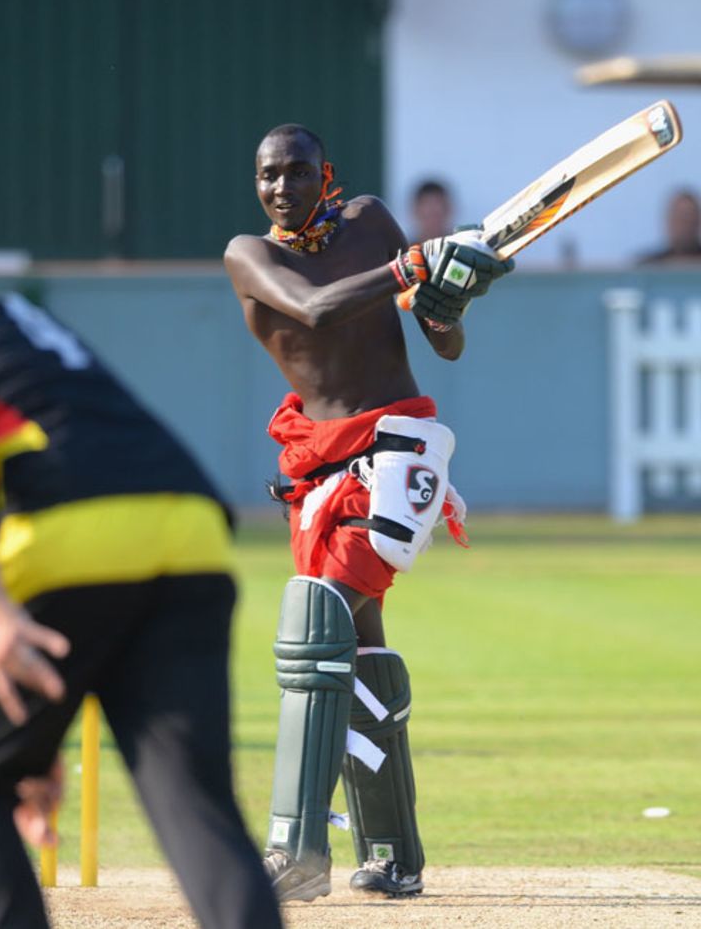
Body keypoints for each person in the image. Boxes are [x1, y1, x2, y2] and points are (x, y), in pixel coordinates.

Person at [0, 181, 282, 929]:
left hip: (69, 528)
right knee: (203, 816)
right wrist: (33, 748)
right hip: (191, 526)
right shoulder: (4, 311)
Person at [223, 124, 513, 901]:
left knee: (318, 623)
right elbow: (314, 310)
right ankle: (396, 854)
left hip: (398, 447)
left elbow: (440, 344)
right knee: (357, 647)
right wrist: (414, 265)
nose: (282, 188)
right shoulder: (250, 255)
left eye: (298, 172)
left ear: (329, 175)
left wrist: (447, 306)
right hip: (318, 467)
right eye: (268, 175)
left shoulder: (373, 221)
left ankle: (298, 850)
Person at [639, 188, 701, 264]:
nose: (685, 225)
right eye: (680, 218)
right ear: (669, 221)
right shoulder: (649, 267)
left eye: (689, 218)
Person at [409, 179, 454, 244]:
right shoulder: (404, 251)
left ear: (448, 210)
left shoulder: (463, 249)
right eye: (428, 215)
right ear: (415, 211)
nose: (433, 221)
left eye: (437, 215)